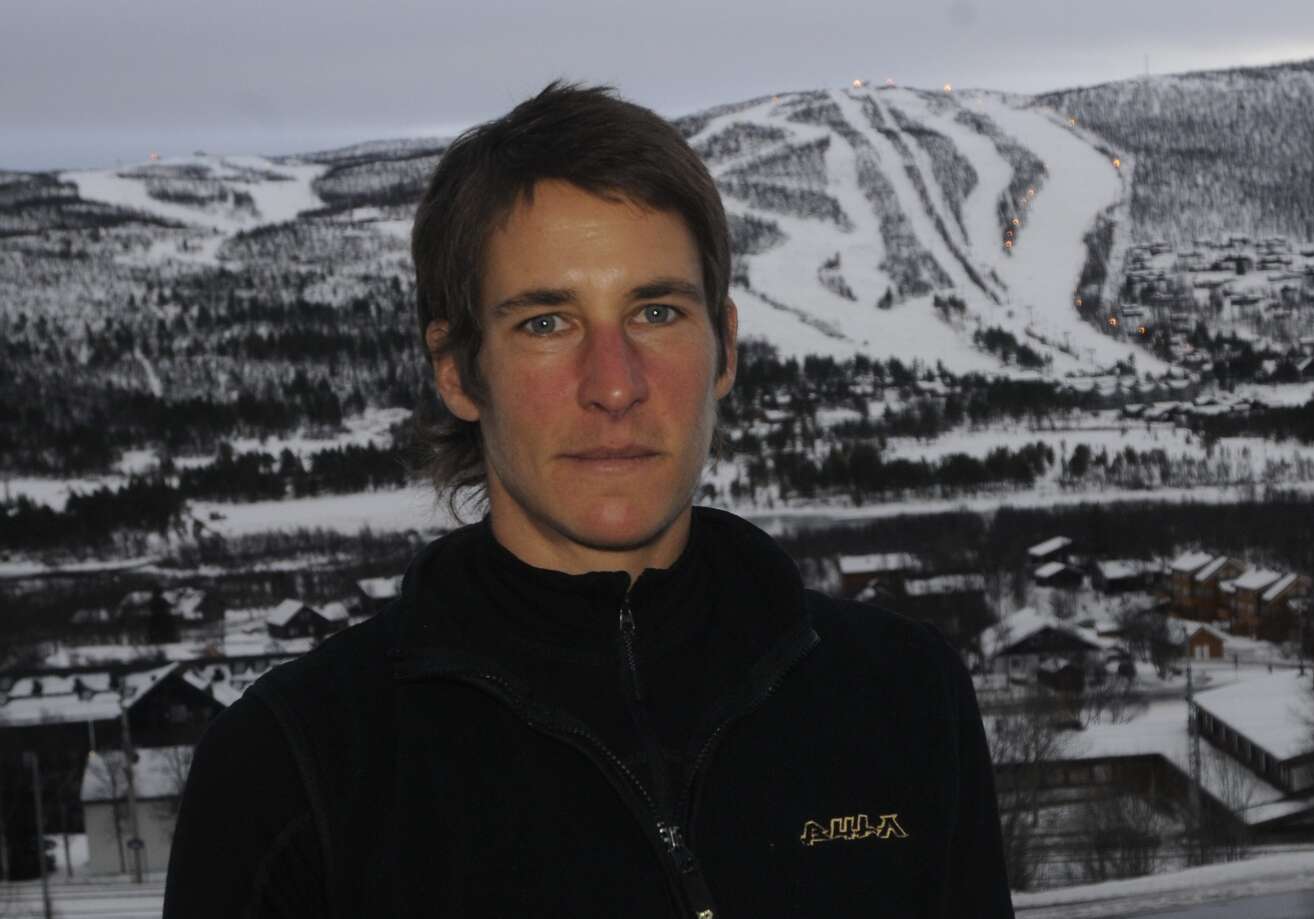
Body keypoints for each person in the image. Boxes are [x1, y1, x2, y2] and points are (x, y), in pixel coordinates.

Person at [163, 81, 1013, 918]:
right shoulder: (296, 770)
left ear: (724, 350)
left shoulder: (901, 697)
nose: (613, 384)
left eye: (656, 312)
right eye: (546, 322)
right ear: (457, 371)